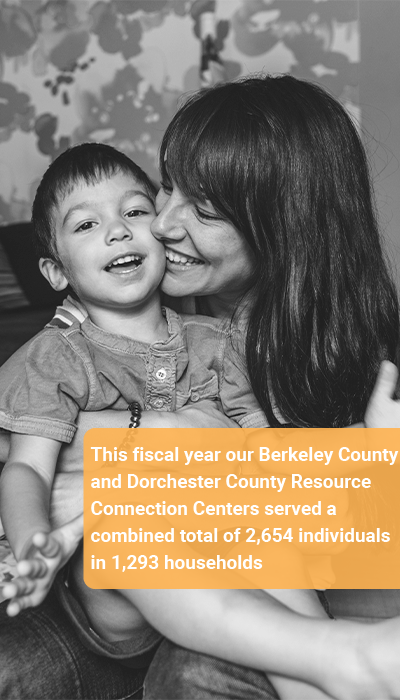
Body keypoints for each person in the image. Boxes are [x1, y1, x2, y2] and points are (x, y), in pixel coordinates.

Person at [1, 74, 400, 700]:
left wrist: (368, 455)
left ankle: (336, 666)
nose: (158, 223)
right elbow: (27, 456)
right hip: (106, 590)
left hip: (236, 566)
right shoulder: (71, 343)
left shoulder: (237, 343)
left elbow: (284, 494)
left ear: (282, 222)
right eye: (167, 187)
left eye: (203, 208)